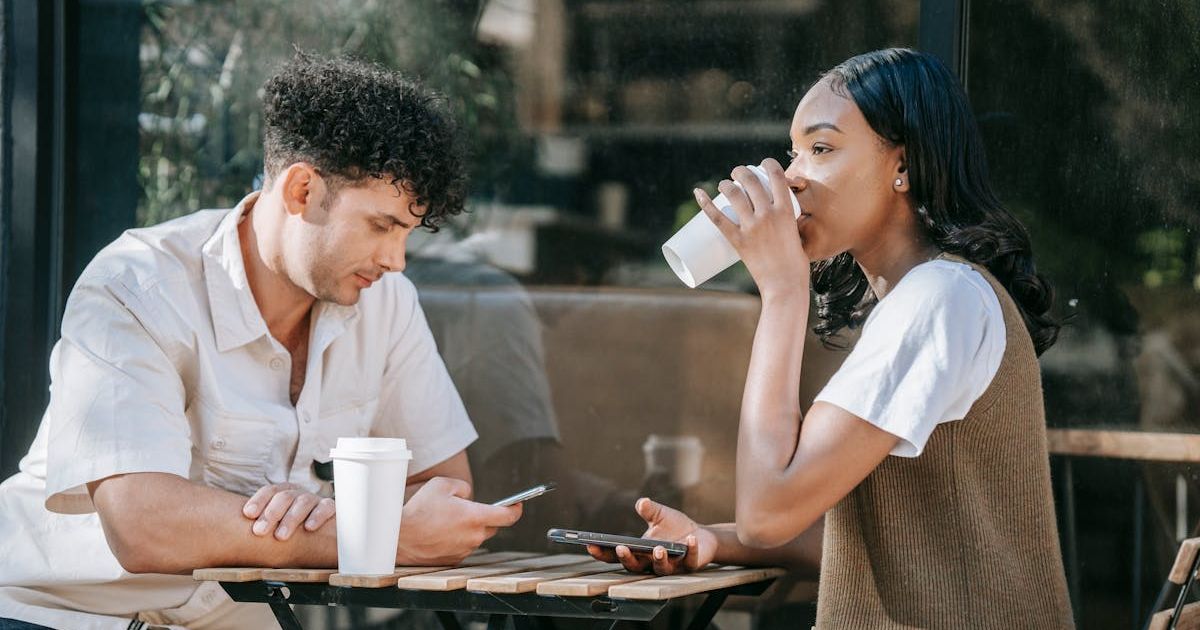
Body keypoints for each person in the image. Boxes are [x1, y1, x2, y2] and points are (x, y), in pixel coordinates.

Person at [0, 53, 522, 630]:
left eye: (405, 233)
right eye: (380, 226)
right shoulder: (135, 285)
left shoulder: (386, 302)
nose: (395, 261)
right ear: (302, 189)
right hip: (60, 617)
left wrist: (327, 520)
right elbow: (143, 525)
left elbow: (443, 491)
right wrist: (365, 531)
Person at [590, 48, 1074, 629]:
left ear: (904, 164)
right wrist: (712, 541)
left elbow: (768, 512)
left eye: (820, 149)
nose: (792, 175)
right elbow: (872, 543)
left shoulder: (938, 300)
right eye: (794, 150)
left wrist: (783, 294)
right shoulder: (928, 298)